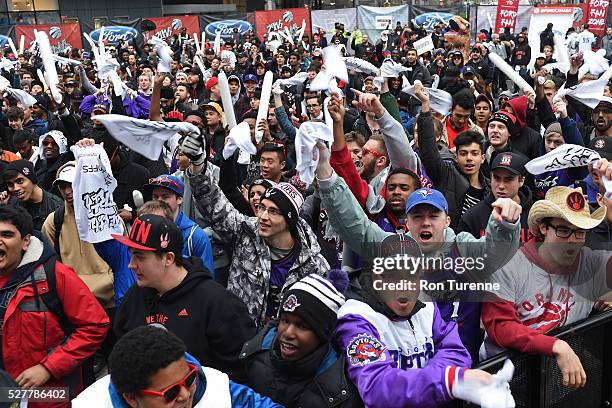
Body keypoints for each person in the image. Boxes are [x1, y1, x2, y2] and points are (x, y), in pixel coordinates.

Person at [179, 134, 330, 329]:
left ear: (290, 220)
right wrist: (199, 165)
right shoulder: (246, 231)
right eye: (262, 208)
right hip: (239, 338)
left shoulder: (315, 265)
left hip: (284, 346)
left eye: (274, 212)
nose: (263, 216)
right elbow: (214, 203)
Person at [481, 183, 612, 389]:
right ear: (543, 228)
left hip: (556, 379)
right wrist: (556, 345)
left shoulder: (591, 263)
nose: (572, 241)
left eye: (580, 232)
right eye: (563, 231)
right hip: (507, 381)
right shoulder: (509, 265)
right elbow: (500, 326)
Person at [113, 214, 256, 382]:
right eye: (131, 255)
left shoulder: (218, 304)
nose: (131, 264)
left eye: (140, 257)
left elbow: (241, 373)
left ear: (168, 258)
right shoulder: (135, 296)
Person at [0, 204, 109, 404]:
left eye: (7, 235)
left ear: (25, 241)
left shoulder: (55, 276)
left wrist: (48, 367)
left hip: (48, 395)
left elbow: (95, 326)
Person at [73, 326, 281, 407]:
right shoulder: (90, 404)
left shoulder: (219, 391)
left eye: (189, 379)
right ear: (132, 398)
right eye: (170, 392)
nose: (184, 395)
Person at [241, 273, 363, 407]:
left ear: (322, 334)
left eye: (302, 326)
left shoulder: (337, 392)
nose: (288, 333)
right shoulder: (256, 353)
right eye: (285, 321)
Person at [415, 85, 489, 229]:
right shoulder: (446, 174)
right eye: (463, 153)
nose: (469, 158)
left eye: (474, 153)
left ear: (483, 157)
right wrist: (425, 105)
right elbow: (429, 151)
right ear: (455, 157)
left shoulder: (490, 188)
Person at [143, 174, 214, 275]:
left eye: (165, 197)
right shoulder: (146, 227)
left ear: (179, 199)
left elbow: (207, 279)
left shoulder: (195, 236)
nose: (159, 201)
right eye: (155, 197)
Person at [459, 152, 533, 243]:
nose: (501, 186)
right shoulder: (473, 217)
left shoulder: (534, 215)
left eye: (508, 179)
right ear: (491, 177)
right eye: (497, 178)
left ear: (521, 181)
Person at [1, 160, 63, 230]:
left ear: (32, 179)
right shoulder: (11, 204)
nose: (16, 188)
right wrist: (3, 208)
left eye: (20, 181)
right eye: (10, 184)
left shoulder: (56, 207)